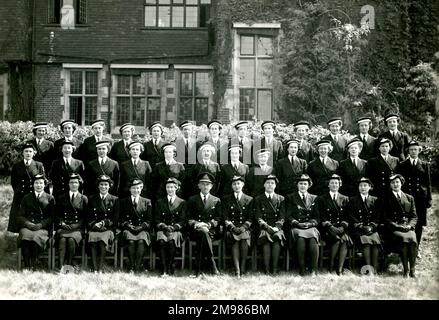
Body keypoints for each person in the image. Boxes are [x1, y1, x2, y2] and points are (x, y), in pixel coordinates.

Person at [397, 141, 432, 251]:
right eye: (411, 149)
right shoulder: (403, 165)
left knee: (419, 223)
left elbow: (428, 183)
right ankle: (408, 245)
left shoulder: (424, 165)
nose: (413, 151)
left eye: (415, 149)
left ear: (419, 150)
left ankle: (416, 247)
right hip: (408, 197)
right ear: (408, 151)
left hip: (420, 198)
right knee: (407, 221)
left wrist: (429, 199)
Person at [314, 174, 352, 275]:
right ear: (328, 185)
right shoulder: (321, 198)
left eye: (336, 183)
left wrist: (342, 227)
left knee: (344, 240)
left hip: (341, 228)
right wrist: (330, 226)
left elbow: (347, 216)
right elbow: (321, 216)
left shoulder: (345, 198)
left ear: (340, 185)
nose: (334, 185)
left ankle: (339, 269)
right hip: (327, 229)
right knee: (338, 240)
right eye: (332, 183)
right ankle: (331, 266)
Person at [382, 174, 418, 277]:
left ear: (401, 183)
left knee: (413, 239)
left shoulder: (409, 197)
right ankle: (405, 270)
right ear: (390, 185)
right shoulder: (386, 198)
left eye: (397, 182)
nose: (395, 184)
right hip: (394, 228)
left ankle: (412, 269)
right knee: (404, 239)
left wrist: (410, 226)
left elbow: (414, 216)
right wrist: (397, 226)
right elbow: (385, 218)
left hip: (407, 227)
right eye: (392, 183)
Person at [186, 173, 222, 276]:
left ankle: (198, 270)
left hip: (211, 230)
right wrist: (197, 224)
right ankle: (212, 265)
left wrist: (208, 225)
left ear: (211, 186)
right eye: (203, 184)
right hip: (196, 230)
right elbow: (188, 218)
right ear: (198, 186)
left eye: (207, 184)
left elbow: (218, 218)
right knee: (202, 234)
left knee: (204, 234)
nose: (205, 186)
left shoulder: (216, 200)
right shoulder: (192, 199)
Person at [17, 174, 55, 270]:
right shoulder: (26, 198)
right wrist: (28, 224)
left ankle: (34, 264)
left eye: (41, 183)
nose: (39, 185)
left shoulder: (50, 198)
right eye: (36, 183)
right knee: (25, 238)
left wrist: (41, 224)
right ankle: (26, 266)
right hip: (28, 226)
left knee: (35, 238)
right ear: (33, 184)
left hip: (42, 228)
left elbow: (52, 217)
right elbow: (20, 216)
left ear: (44, 185)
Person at [286, 174, 319, 276]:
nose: (303, 186)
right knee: (300, 239)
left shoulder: (314, 198)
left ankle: (313, 270)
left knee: (313, 238)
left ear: (309, 185)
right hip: (297, 226)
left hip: (310, 226)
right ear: (297, 185)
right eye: (300, 183)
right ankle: (302, 269)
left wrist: (310, 224)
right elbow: (288, 216)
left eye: (305, 184)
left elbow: (317, 217)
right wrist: (297, 223)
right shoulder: (290, 197)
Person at [347, 177, 381, 275]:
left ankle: (375, 270)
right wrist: (361, 226)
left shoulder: (375, 200)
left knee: (375, 243)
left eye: (365, 185)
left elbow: (377, 216)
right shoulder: (352, 200)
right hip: (358, 230)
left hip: (371, 229)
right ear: (358, 188)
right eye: (361, 186)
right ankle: (369, 269)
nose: (363, 188)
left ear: (370, 187)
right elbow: (351, 216)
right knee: (366, 242)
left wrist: (371, 226)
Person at [252, 175, 286, 274]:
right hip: (263, 227)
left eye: (272, 183)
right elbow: (258, 216)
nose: (270, 185)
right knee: (265, 238)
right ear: (264, 185)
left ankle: (274, 269)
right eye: (268, 183)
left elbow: (282, 216)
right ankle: (266, 269)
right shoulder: (258, 199)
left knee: (276, 238)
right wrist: (266, 227)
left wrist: (277, 227)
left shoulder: (281, 199)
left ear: (275, 185)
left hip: (276, 227)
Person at [8, 143, 45, 233]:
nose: (28, 153)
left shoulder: (38, 165)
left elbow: (43, 180)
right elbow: (14, 182)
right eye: (26, 151)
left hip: (33, 194)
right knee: (19, 215)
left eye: (30, 151)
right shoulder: (17, 166)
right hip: (20, 195)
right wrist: (18, 191)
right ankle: (20, 234)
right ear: (22, 153)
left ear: (34, 153)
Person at [221, 176, 253, 277]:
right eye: (234, 184)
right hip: (232, 228)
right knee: (234, 239)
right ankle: (237, 270)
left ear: (242, 185)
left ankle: (242, 267)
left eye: (238, 184)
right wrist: (233, 227)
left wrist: (243, 227)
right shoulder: (226, 199)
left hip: (244, 228)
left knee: (244, 239)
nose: (236, 186)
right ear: (231, 186)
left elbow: (251, 217)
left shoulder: (249, 199)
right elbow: (225, 217)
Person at [86, 175, 119, 272]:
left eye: (106, 185)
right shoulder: (92, 199)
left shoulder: (115, 199)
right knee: (92, 241)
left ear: (109, 186)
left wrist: (104, 223)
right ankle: (94, 269)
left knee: (102, 242)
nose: (103, 187)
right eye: (101, 184)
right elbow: (88, 216)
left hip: (107, 229)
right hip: (95, 228)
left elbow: (115, 218)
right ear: (98, 186)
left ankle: (100, 268)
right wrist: (94, 224)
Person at [154, 178, 186, 276]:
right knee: (162, 241)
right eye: (168, 187)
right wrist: (164, 226)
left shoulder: (182, 202)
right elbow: (157, 220)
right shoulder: (160, 202)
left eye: (172, 187)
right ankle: (163, 268)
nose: (170, 189)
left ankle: (170, 266)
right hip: (163, 229)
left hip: (175, 230)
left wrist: (173, 227)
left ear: (176, 188)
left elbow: (182, 220)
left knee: (172, 241)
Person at [55, 173, 87, 269]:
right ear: (68, 184)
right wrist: (61, 223)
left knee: (71, 240)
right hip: (63, 227)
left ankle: (68, 265)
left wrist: (77, 225)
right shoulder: (61, 197)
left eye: (76, 182)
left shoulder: (83, 198)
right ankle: (60, 266)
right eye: (71, 182)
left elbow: (85, 217)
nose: (73, 185)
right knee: (63, 240)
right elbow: (57, 214)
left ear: (79, 184)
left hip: (77, 228)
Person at [119, 179, 152, 273]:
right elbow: (121, 218)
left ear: (141, 189)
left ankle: (138, 266)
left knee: (141, 241)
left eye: (138, 188)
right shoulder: (123, 201)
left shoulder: (147, 201)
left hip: (142, 229)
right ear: (129, 189)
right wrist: (128, 226)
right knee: (131, 241)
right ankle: (131, 266)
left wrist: (141, 227)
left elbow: (149, 220)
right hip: (128, 229)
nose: (136, 190)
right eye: (133, 188)